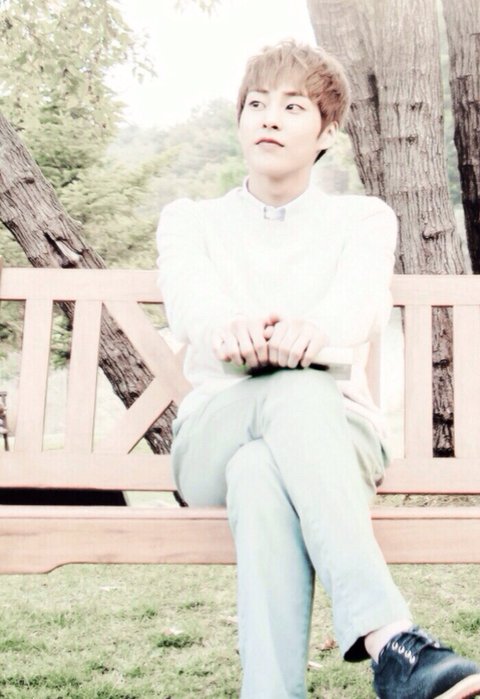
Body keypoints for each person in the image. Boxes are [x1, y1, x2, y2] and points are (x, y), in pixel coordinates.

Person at [156, 38, 480, 699]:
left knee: (262, 468)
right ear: (239, 120)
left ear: (327, 131)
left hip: (338, 438)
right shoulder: (190, 221)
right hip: (215, 436)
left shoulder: (363, 219)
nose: (269, 119)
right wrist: (228, 329)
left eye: (293, 106)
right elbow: (194, 305)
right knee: (286, 399)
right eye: (256, 104)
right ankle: (391, 639)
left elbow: (356, 306)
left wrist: (316, 333)